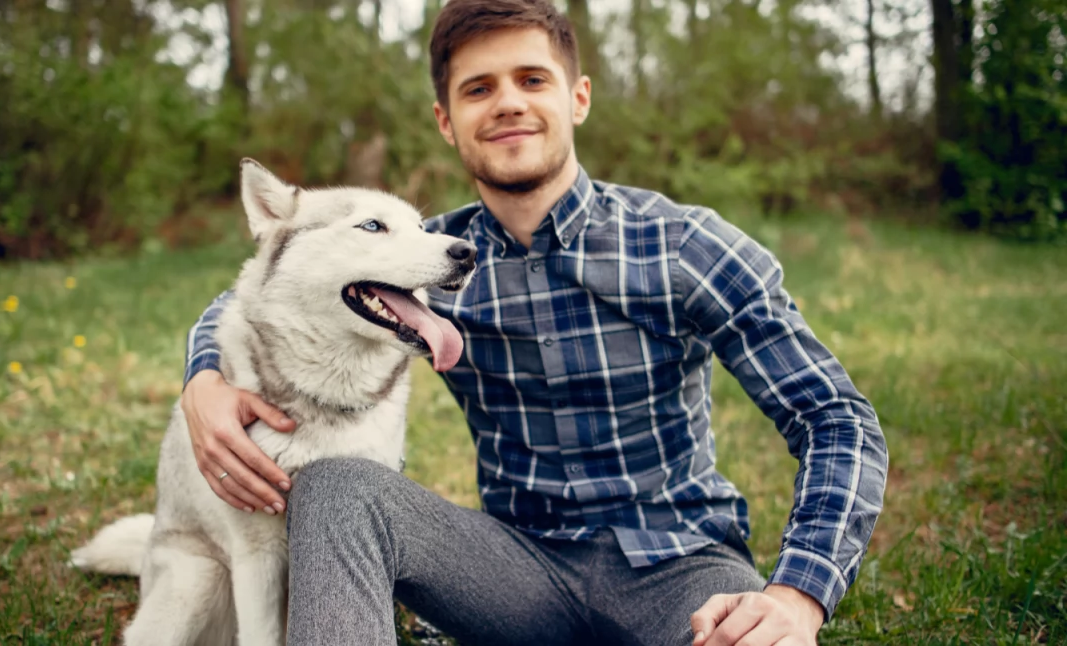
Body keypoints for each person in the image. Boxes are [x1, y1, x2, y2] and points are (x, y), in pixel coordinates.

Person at [177, 1, 888, 644]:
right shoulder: (433, 259)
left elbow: (834, 415)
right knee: (336, 487)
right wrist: (203, 377)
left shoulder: (681, 245)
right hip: (513, 573)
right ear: (446, 121)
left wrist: (798, 596)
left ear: (578, 97)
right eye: (478, 89)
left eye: (532, 79)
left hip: (681, 567)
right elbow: (273, 290)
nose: (508, 103)